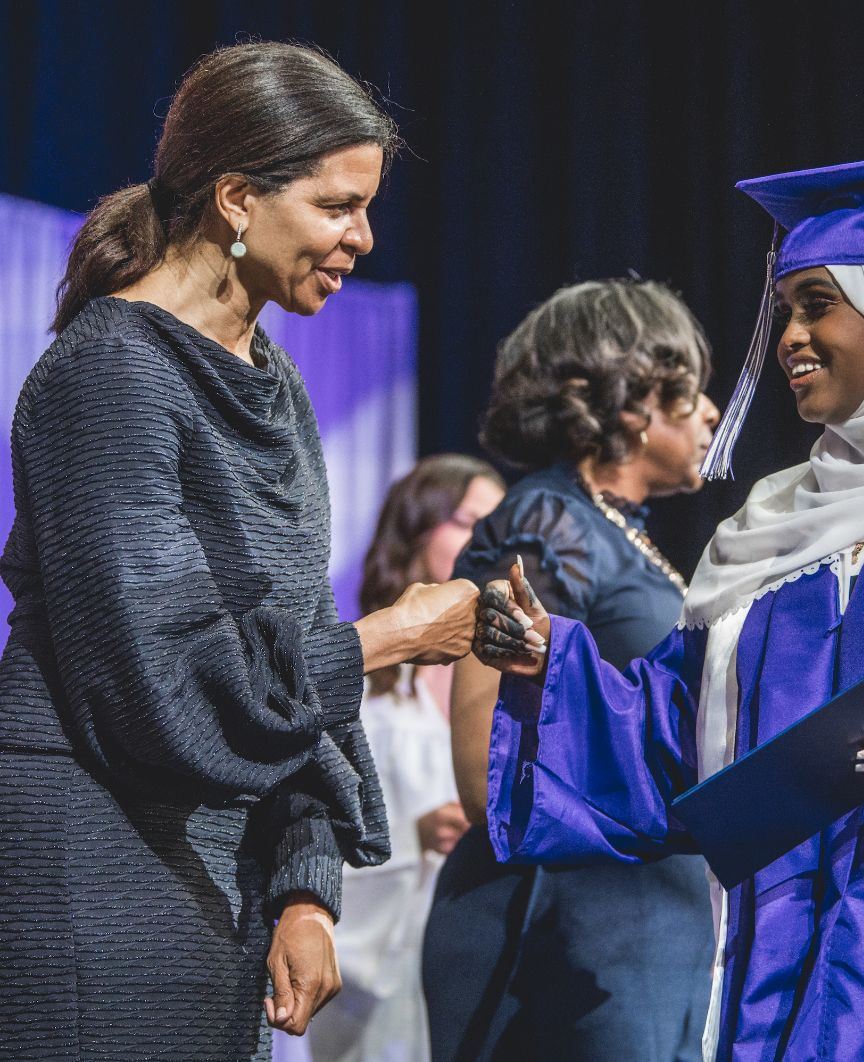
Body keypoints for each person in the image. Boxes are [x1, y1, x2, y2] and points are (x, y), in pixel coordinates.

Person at [475, 150, 864, 1061]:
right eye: (784, 307)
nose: (788, 335)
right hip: (771, 973)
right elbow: (682, 738)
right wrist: (552, 662)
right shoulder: (770, 532)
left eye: (818, 303)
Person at [0, 42, 496, 1062]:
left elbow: (288, 647)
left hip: (220, 871)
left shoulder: (277, 383)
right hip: (97, 859)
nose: (362, 236)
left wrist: (306, 888)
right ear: (235, 197)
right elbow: (162, 686)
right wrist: (390, 638)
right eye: (336, 205)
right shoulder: (108, 375)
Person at [423, 279, 721, 1061]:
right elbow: (485, 772)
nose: (713, 413)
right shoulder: (545, 519)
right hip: (566, 923)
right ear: (628, 402)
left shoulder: (628, 538)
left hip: (644, 916)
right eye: (690, 392)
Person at [308, 454, 505, 1062]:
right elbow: (309, 834)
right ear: (418, 530)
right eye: (469, 520)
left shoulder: (512, 682)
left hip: (486, 944)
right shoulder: (360, 689)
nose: (486, 541)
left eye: (497, 525)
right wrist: (414, 835)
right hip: (388, 967)